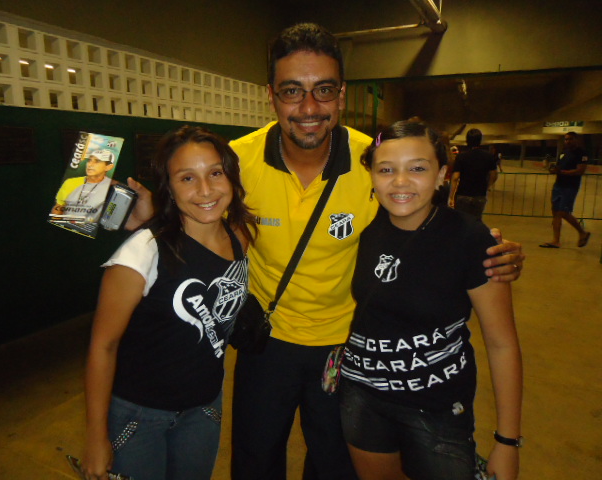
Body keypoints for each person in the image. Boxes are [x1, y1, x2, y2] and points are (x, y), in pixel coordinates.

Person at [125, 23, 525, 480]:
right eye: (293, 91)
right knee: (255, 462)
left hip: (345, 351)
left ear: (341, 94)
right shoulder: (237, 163)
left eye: (324, 90)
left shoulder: (371, 162)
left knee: (335, 467)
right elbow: (196, 210)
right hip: (265, 345)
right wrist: (150, 217)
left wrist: (489, 250)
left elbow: (422, 223)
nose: (309, 108)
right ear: (271, 95)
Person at [339, 120, 523, 480]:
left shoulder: (471, 239)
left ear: (442, 174)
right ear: (372, 176)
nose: (401, 181)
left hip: (438, 409)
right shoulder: (363, 227)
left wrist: (507, 441)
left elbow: (502, 345)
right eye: (386, 169)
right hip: (362, 399)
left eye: (418, 168)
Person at [81, 126, 256, 480]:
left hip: (204, 409)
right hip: (139, 416)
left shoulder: (239, 237)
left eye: (216, 173)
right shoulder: (141, 252)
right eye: (187, 177)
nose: (205, 190)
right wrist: (96, 436)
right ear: (169, 188)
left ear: (232, 179)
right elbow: (103, 346)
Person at [539, 131, 591, 248]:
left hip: (570, 187)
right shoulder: (564, 152)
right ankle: (555, 240)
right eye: (566, 139)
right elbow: (559, 166)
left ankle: (582, 232)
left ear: (576, 140)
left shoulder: (581, 153)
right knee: (556, 213)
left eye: (570, 139)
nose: (568, 141)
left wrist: (562, 172)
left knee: (563, 212)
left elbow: (580, 171)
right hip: (558, 185)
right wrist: (553, 170)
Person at [51, 149, 115, 222]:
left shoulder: (111, 187)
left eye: (97, 161)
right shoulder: (70, 182)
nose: (90, 164)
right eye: (89, 160)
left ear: (109, 167)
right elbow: (58, 207)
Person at [449, 128, 498, 222]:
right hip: (479, 195)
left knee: (461, 222)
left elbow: (455, 177)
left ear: (467, 140)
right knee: (476, 221)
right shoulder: (488, 156)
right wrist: (488, 186)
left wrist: (451, 196)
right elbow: (494, 175)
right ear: (480, 140)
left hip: (463, 195)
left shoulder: (461, 157)